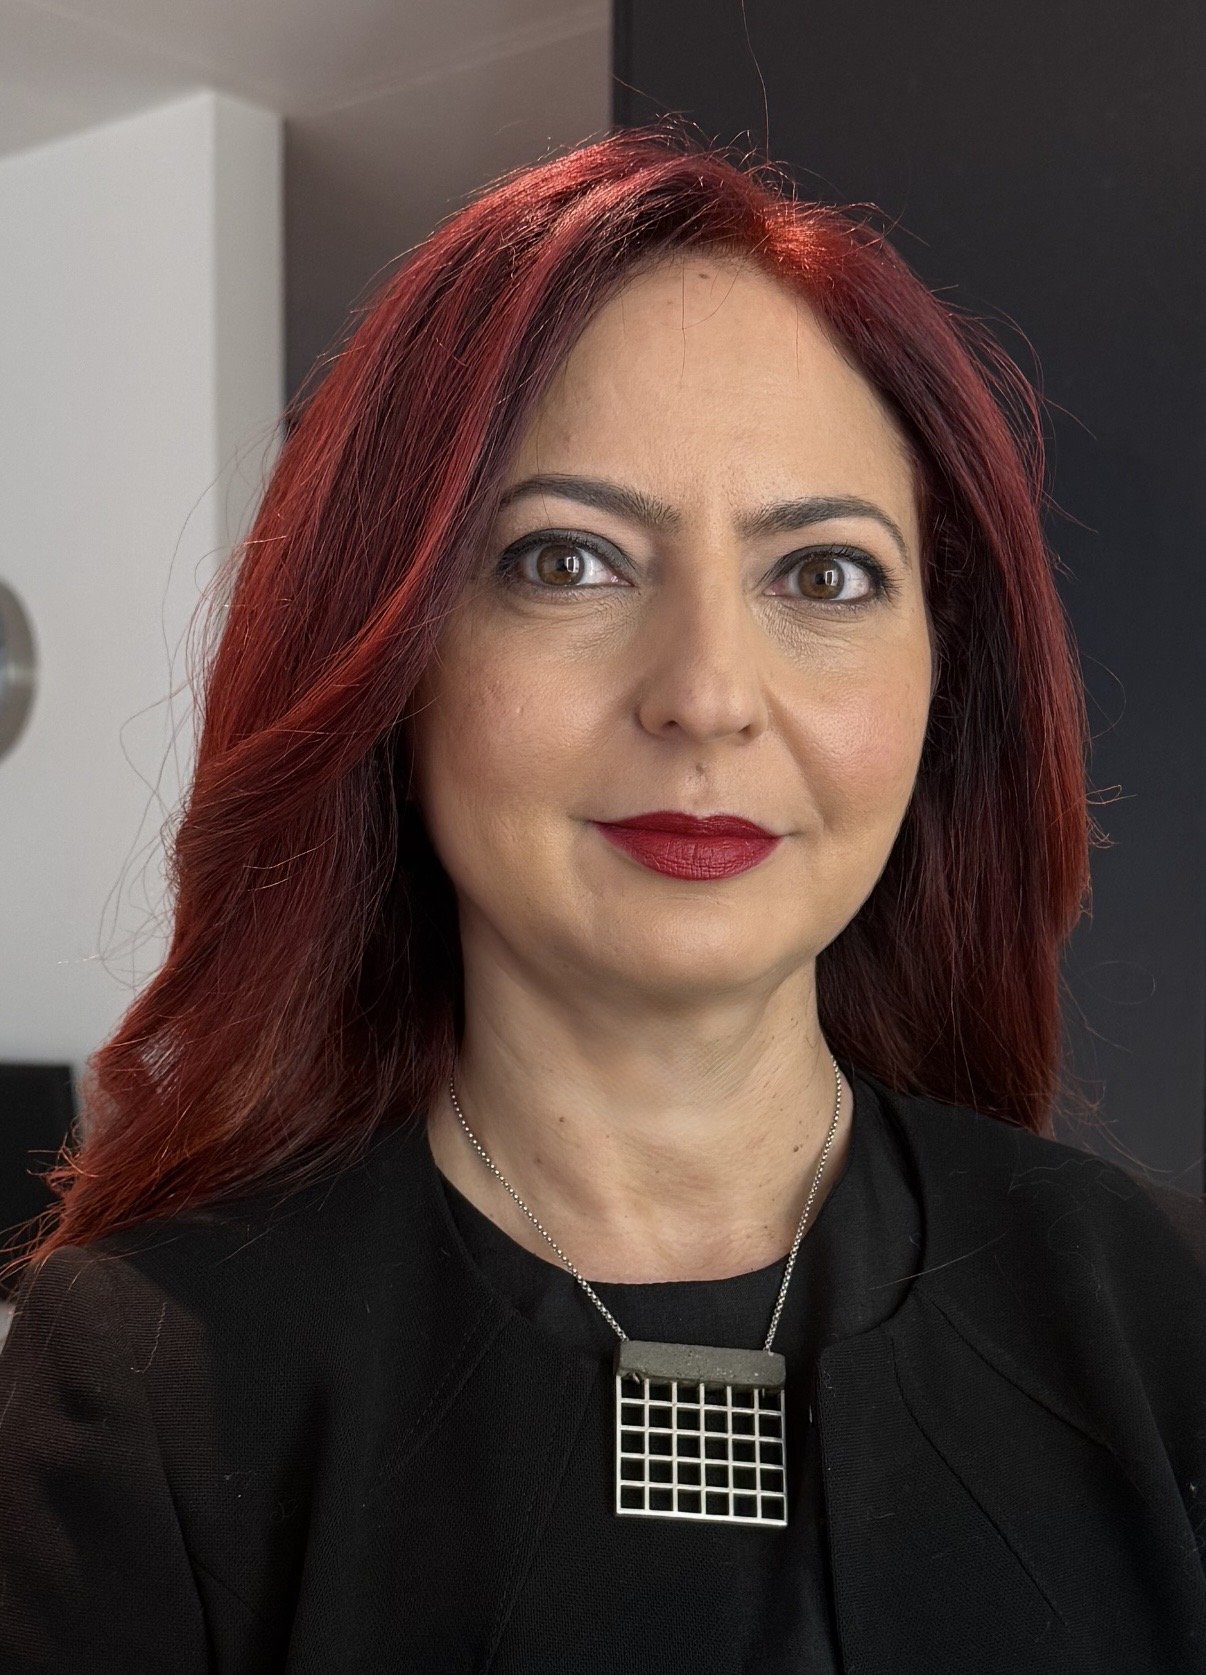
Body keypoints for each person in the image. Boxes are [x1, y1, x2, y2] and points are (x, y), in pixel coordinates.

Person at [0, 125, 1203, 1675]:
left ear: (939, 680)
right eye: (566, 562)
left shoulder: (1162, 1322)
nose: (705, 694)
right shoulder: (156, 1379)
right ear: (395, 658)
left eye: (821, 576)